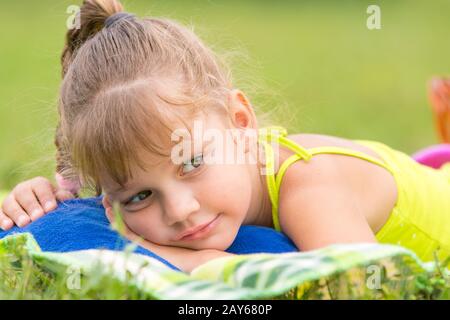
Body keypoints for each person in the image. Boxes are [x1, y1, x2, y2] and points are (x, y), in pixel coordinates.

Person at [1, 0, 449, 272]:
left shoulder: (309, 189)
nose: (180, 211)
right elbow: (71, 219)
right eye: (139, 196)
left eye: (192, 163)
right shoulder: (146, 185)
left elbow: (368, 288)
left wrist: (197, 263)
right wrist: (38, 199)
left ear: (240, 121)